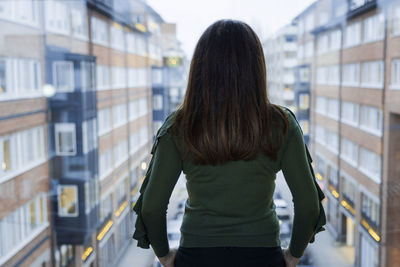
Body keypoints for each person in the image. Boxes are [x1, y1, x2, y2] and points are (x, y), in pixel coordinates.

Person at [132, 19, 326, 267]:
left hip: (197, 256)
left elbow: (151, 207)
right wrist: (293, 255)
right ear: (256, 68)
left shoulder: (179, 125)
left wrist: (165, 256)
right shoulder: (282, 123)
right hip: (262, 256)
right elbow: (309, 205)